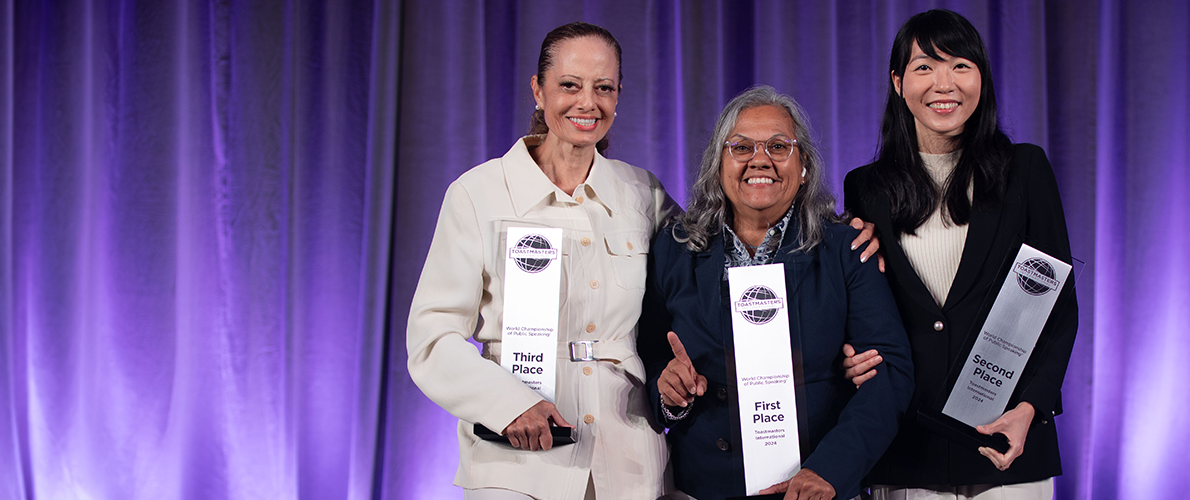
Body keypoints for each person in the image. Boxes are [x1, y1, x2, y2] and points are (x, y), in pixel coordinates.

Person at [404, 22, 670, 500]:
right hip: (517, 465)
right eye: (570, 85)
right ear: (538, 90)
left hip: (629, 466)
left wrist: (837, 233)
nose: (587, 103)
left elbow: (717, 256)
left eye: (603, 88)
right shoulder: (477, 194)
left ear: (618, 95)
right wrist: (506, 404)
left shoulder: (642, 194)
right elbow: (432, 337)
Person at [839, 10, 1079, 500]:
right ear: (898, 82)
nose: (943, 84)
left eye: (960, 66)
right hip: (905, 445)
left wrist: (1031, 407)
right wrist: (847, 359)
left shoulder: (1025, 169)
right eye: (925, 66)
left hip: (1005, 441)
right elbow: (860, 306)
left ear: (981, 78)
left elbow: (1058, 306)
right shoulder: (866, 187)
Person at [637, 86, 915, 500]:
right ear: (719, 165)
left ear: (803, 166)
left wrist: (830, 471)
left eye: (779, 146)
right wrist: (667, 388)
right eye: (741, 146)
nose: (759, 159)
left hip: (816, 487)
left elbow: (888, 372)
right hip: (705, 486)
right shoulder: (673, 249)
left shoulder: (845, 247)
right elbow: (650, 356)